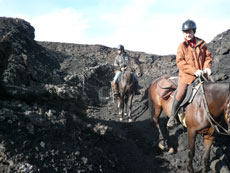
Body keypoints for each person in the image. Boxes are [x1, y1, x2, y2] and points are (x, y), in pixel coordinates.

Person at [167, 19, 213, 128]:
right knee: (181, 93)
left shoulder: (202, 44)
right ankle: (172, 117)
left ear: (194, 32)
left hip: (202, 74)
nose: (188, 34)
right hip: (186, 76)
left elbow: (208, 57)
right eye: (185, 32)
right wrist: (194, 71)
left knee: (214, 88)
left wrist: (207, 67)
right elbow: (180, 62)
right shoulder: (182, 46)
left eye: (190, 31)